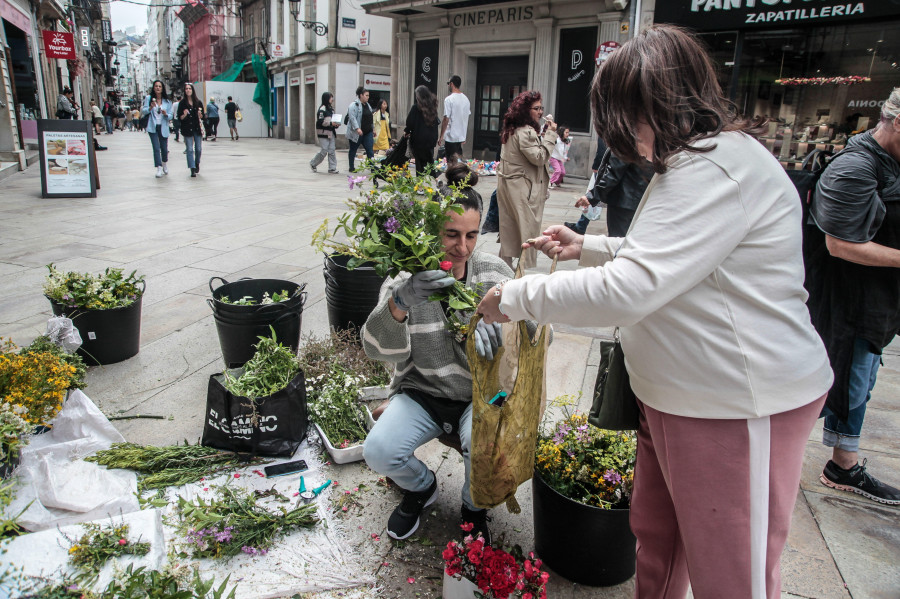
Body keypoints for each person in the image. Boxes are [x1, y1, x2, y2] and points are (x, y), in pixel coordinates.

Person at [476, 25, 834, 598]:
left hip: (735, 401)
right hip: (681, 394)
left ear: (658, 105)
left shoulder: (714, 168)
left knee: (732, 574)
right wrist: (588, 246)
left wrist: (516, 299)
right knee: (658, 540)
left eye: (626, 119)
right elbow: (679, 261)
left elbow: (630, 288)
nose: (628, 140)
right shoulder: (692, 163)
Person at [361, 163, 513, 545]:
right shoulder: (406, 278)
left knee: (489, 450)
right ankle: (421, 487)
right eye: (450, 234)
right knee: (378, 450)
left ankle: (472, 508)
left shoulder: (495, 273)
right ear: (430, 229)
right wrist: (400, 302)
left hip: (478, 395)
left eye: (472, 235)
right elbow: (373, 347)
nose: (462, 247)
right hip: (421, 393)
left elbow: (530, 339)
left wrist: (506, 329)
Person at [806, 87, 900, 506]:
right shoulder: (856, 166)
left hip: (876, 296)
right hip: (848, 299)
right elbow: (840, 243)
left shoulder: (888, 161)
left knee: (862, 372)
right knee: (851, 375)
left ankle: (843, 459)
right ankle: (843, 463)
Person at [496, 90, 557, 269]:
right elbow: (539, 157)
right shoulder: (526, 132)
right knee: (526, 230)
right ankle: (519, 272)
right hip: (523, 189)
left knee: (510, 229)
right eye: (536, 108)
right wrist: (551, 134)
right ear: (525, 110)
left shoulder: (512, 128)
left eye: (541, 108)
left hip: (511, 186)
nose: (540, 112)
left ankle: (504, 268)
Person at [565, 137, 654, 237]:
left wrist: (592, 196)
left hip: (623, 202)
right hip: (642, 199)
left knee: (618, 241)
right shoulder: (651, 136)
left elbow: (613, 173)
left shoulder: (626, 138)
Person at [405, 85, 440, 176]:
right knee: (429, 161)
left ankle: (420, 185)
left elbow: (410, 122)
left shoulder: (416, 108)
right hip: (430, 140)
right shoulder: (433, 107)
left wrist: (407, 131)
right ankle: (435, 178)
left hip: (418, 140)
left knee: (419, 163)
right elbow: (436, 122)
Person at [141, 79, 173, 178]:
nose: (158, 88)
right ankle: (158, 167)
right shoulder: (149, 98)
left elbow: (171, 115)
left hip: (163, 126)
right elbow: (144, 111)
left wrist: (166, 114)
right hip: (153, 126)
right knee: (156, 148)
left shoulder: (167, 101)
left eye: (159, 86)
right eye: (156, 86)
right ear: (153, 88)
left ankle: (164, 163)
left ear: (162, 88)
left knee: (164, 148)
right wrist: (150, 108)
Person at [439, 75, 471, 164]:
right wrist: (464, 135)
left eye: (448, 83)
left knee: (451, 162)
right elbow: (466, 117)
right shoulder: (466, 99)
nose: (448, 85)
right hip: (460, 137)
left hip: (451, 136)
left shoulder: (449, 99)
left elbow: (446, 118)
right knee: (458, 162)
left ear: (451, 84)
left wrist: (441, 136)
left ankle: (452, 177)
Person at [178, 83, 205, 178]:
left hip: (197, 128)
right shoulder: (182, 103)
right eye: (186, 89)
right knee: (189, 149)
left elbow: (203, 117)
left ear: (192, 90)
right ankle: (192, 168)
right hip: (187, 129)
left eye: (189, 88)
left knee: (198, 149)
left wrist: (200, 115)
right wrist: (184, 115)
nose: (188, 90)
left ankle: (197, 162)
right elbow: (179, 117)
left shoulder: (198, 102)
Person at [310, 91, 339, 173]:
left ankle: (332, 168)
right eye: (330, 97)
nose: (332, 99)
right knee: (324, 150)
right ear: (326, 98)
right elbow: (320, 121)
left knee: (332, 150)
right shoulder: (322, 109)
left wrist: (335, 124)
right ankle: (313, 163)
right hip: (323, 133)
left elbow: (333, 120)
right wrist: (330, 123)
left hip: (331, 132)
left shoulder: (331, 109)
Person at [347, 86, 375, 171]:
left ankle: (372, 167)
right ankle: (351, 167)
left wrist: (373, 129)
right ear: (361, 95)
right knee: (353, 149)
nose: (368, 97)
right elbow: (352, 118)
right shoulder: (353, 105)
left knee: (370, 150)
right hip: (357, 133)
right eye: (366, 95)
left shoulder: (368, 106)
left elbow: (370, 118)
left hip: (367, 132)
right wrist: (357, 128)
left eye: (368, 95)